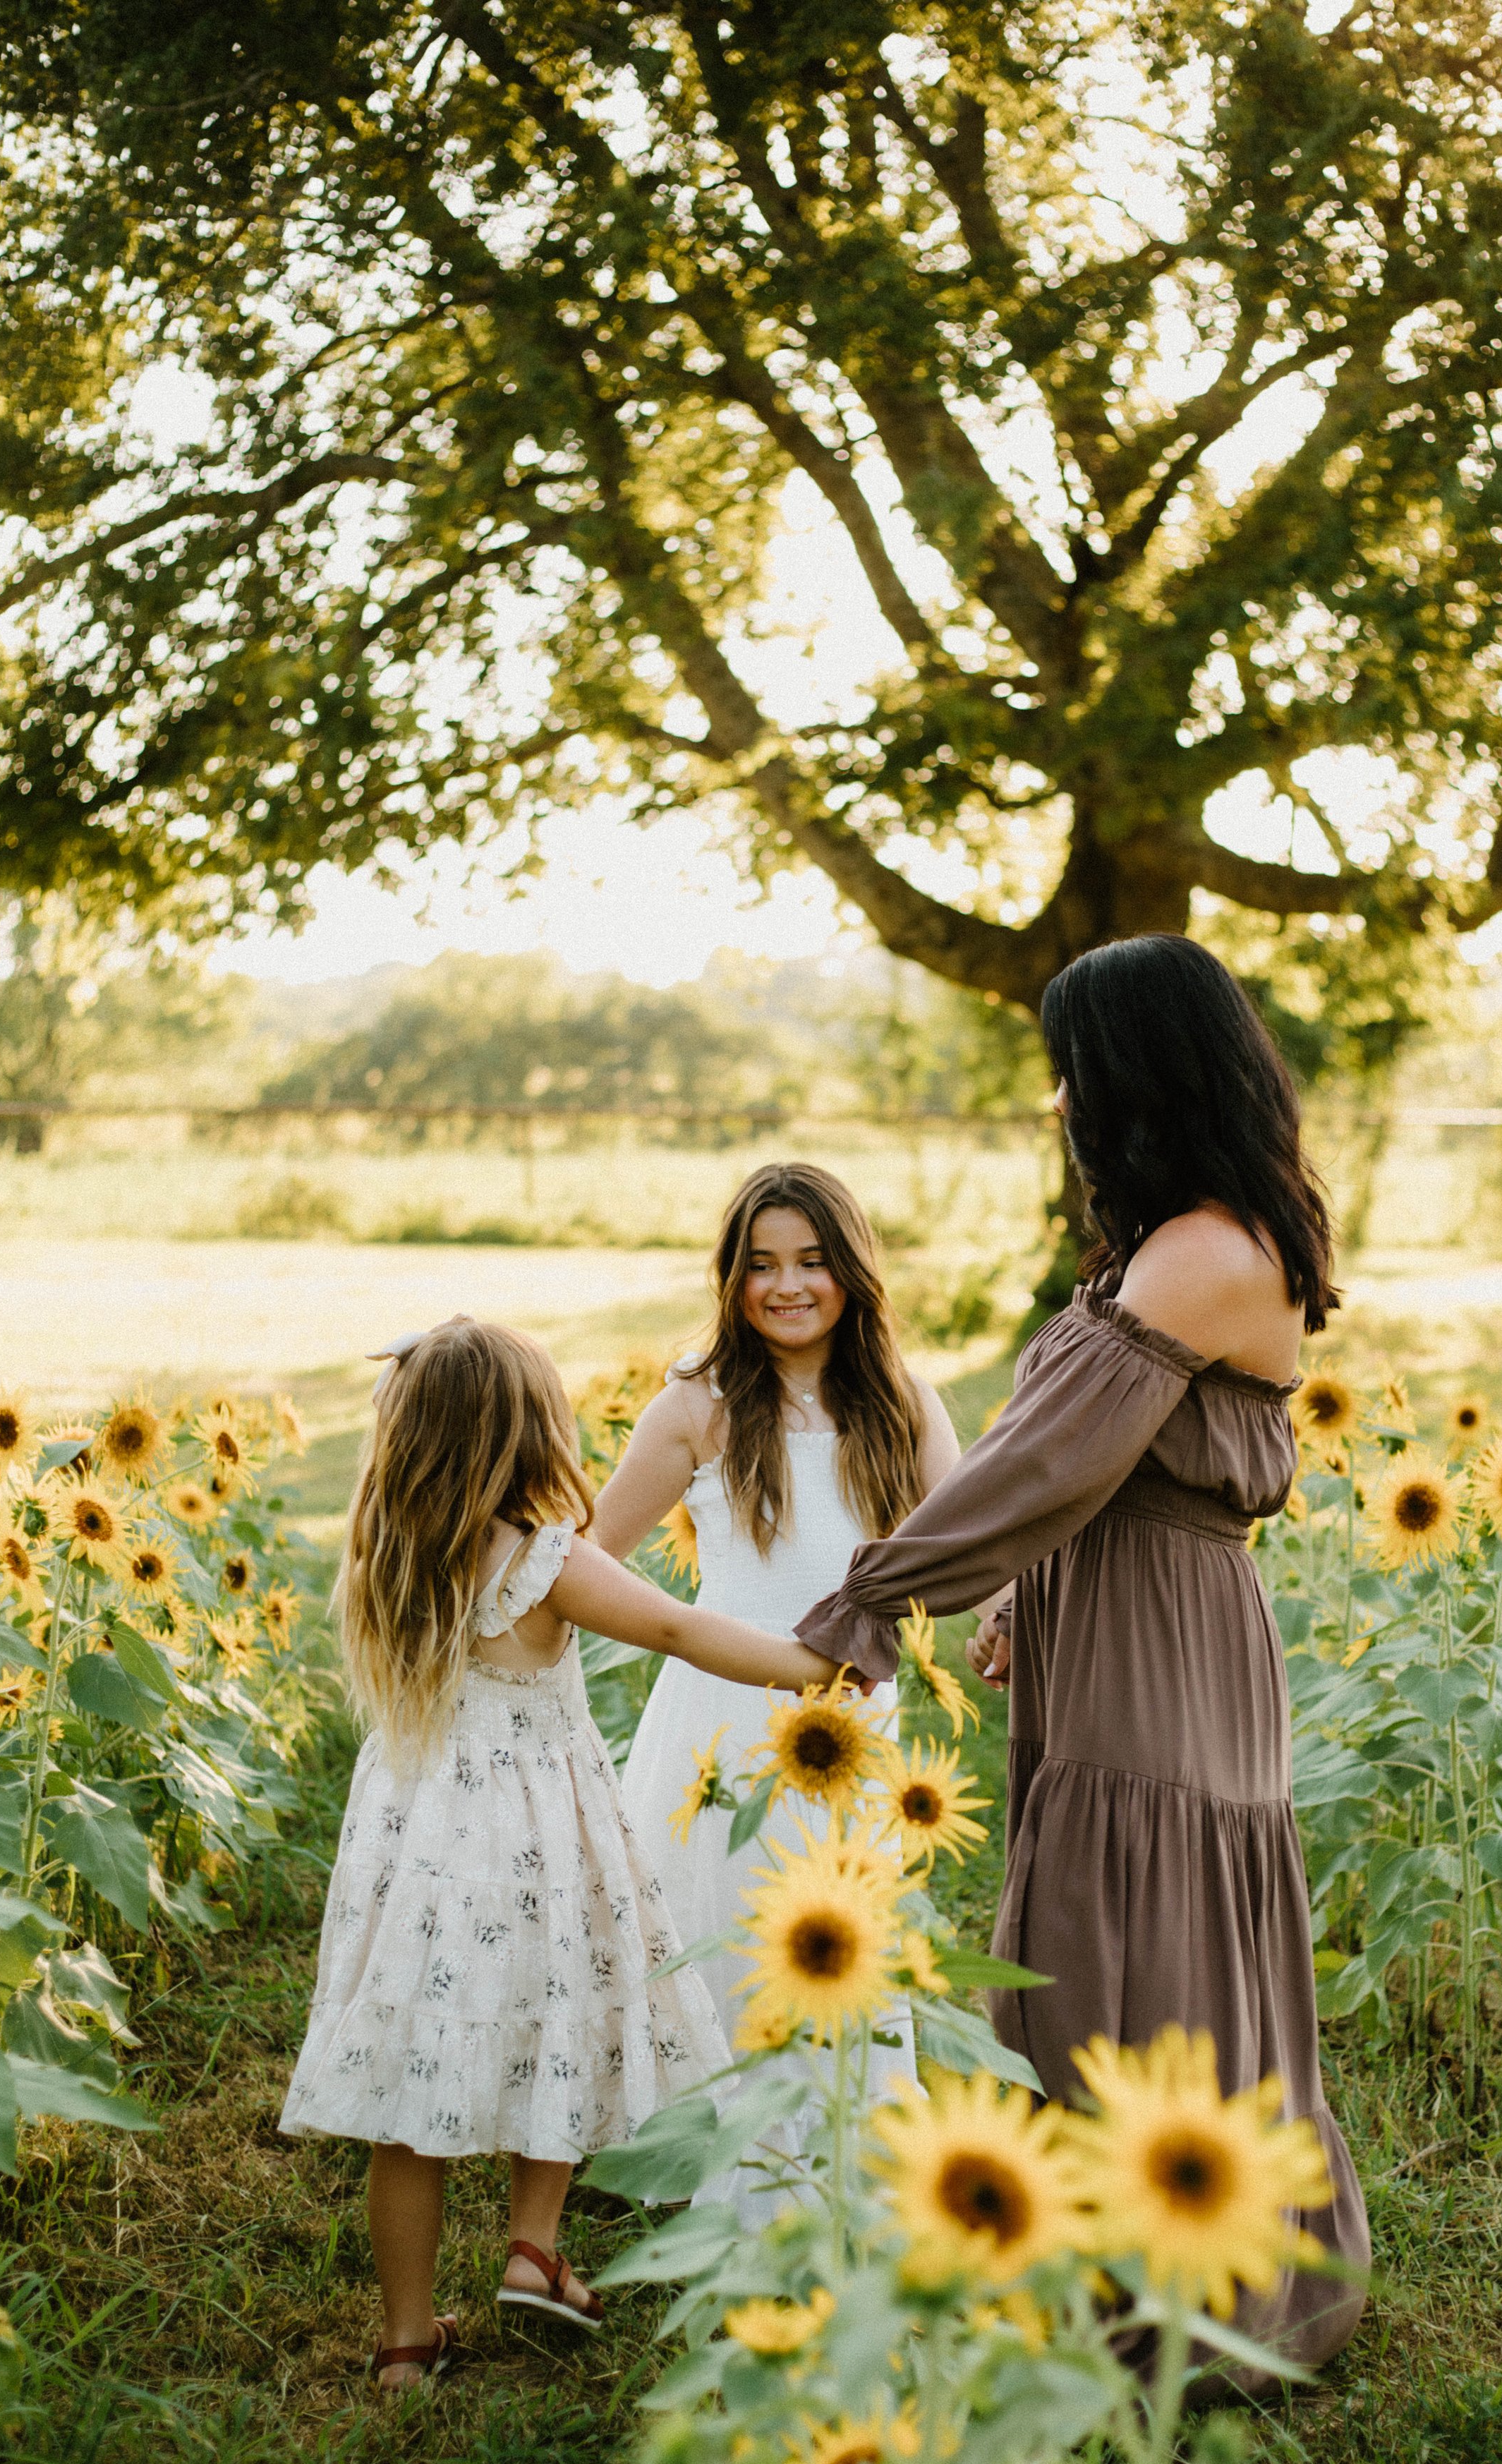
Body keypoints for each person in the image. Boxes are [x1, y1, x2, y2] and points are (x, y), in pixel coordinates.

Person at [795, 937, 1370, 2379]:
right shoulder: (1181, 1240)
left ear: (1133, 1075)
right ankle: (1118, 2275)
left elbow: (1036, 1464)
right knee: (1122, 1936)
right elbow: (1095, 1471)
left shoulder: (1199, 1255)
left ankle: (1163, 2307)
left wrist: (879, 1594)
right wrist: (1012, 1603)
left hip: (1162, 1648)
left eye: (1071, 1072)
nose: (1056, 1104)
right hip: (1128, 1617)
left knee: (1130, 1948)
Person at [279, 1316, 839, 2391]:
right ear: (528, 1433)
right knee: (564, 2018)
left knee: (411, 2102)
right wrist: (808, 1665)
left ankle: (405, 2343)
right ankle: (534, 2243)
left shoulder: (392, 1550)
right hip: (538, 1832)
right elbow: (678, 1627)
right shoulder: (544, 1558)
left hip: (419, 1842)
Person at [595, 1164, 960, 2069]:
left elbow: (968, 1543)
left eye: (810, 1261)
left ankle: (832, 2127)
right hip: (716, 1713)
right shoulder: (694, 1405)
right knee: (717, 1912)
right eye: (761, 1265)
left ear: (851, 1269)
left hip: (849, 1716)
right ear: (732, 1279)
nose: (787, 1286)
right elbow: (590, 1552)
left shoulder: (904, 1405)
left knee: (834, 1930)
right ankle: (699, 2133)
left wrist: (1009, 1621)